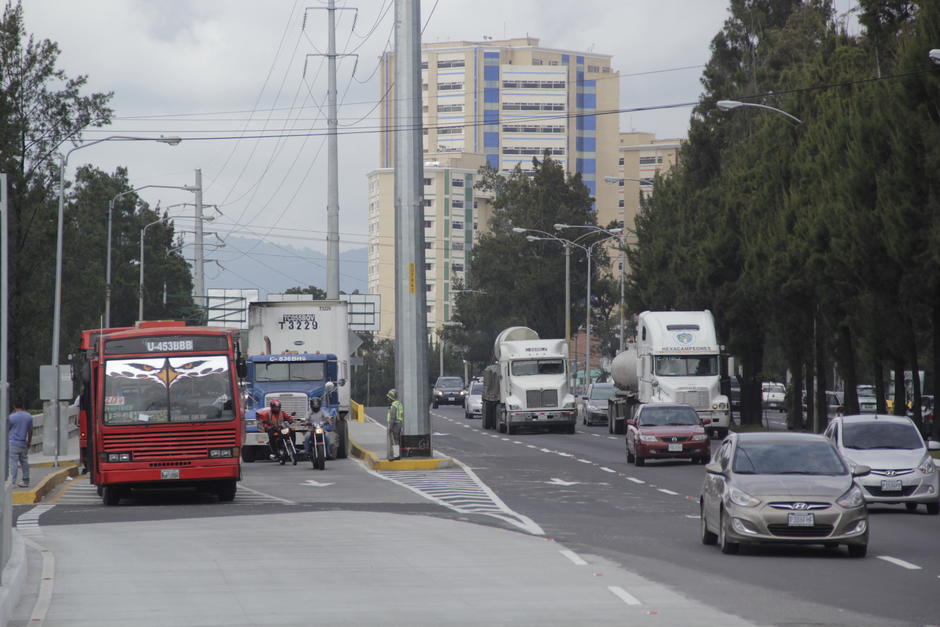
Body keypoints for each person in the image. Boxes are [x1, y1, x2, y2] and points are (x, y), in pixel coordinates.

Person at [9, 398, 33, 488]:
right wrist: (29, 441)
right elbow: (30, 430)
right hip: (23, 443)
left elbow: (7, 429)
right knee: (24, 462)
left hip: (13, 442)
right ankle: (26, 481)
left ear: (14, 406)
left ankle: (12, 482)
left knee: (13, 463)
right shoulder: (28, 416)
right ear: (22, 406)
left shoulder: (11, 417)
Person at [386, 388, 403, 461]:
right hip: (399, 424)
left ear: (391, 397)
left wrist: (390, 427)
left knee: (394, 441)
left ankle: (396, 455)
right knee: (397, 440)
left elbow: (392, 417)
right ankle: (397, 455)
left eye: (389, 397)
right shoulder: (399, 404)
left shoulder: (394, 406)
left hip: (395, 425)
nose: (388, 399)